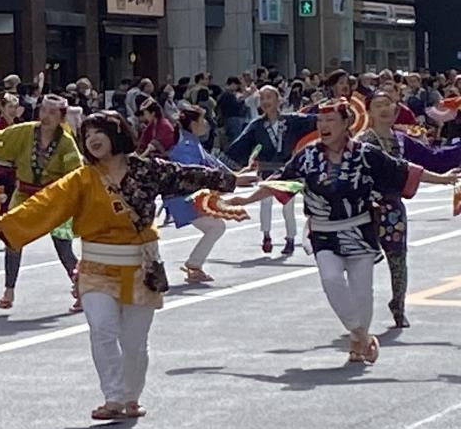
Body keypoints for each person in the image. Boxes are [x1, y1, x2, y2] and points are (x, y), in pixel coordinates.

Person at [0, 111, 236, 421]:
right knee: (102, 329)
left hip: (141, 267)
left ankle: (132, 395)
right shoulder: (81, 179)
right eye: (88, 133)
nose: (92, 138)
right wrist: (4, 224)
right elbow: (46, 204)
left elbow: (188, 175)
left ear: (117, 133)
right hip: (96, 267)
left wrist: (232, 180)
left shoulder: (147, 170)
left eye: (99, 132)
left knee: (134, 343)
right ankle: (113, 397)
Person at [227, 99, 458, 365]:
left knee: (363, 294)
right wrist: (244, 200)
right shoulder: (308, 155)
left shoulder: (365, 153)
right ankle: (359, 333)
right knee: (331, 279)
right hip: (324, 232)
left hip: (359, 231)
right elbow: (280, 180)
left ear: (346, 123)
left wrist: (443, 178)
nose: (323, 126)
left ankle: (358, 343)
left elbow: (403, 170)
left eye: (330, 120)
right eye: (320, 121)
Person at [357, 90, 461, 327]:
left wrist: (448, 171)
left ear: (396, 110)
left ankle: (398, 305)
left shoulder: (402, 140)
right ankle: (359, 310)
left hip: (393, 209)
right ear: (370, 111)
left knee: (398, 260)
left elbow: (433, 159)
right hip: (365, 209)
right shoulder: (361, 143)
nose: (384, 109)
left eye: (388, 104)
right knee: (360, 262)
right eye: (378, 105)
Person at [0, 94, 82, 311]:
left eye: (53, 112)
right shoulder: (25, 131)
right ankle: (9, 291)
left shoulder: (65, 141)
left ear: (61, 116)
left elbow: (75, 175)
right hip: (24, 193)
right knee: (12, 238)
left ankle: (80, 289)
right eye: (44, 110)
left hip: (55, 198)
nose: (46, 116)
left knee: (63, 246)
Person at [222, 85, 316, 255]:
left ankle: (290, 238)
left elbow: (314, 120)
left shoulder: (292, 120)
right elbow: (239, 145)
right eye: (262, 98)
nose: (265, 102)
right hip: (265, 170)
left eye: (269, 97)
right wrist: (222, 162)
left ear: (278, 99)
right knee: (265, 204)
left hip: (287, 170)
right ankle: (266, 235)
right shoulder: (256, 125)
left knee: (288, 205)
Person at [164, 105, 250, 282]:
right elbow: (196, 175)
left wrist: (238, 175)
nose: (206, 124)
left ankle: (194, 264)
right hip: (184, 198)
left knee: (216, 227)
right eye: (202, 120)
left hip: (190, 198)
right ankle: (194, 265)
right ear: (193, 124)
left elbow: (216, 165)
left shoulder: (193, 143)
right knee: (216, 227)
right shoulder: (186, 146)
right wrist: (233, 180)